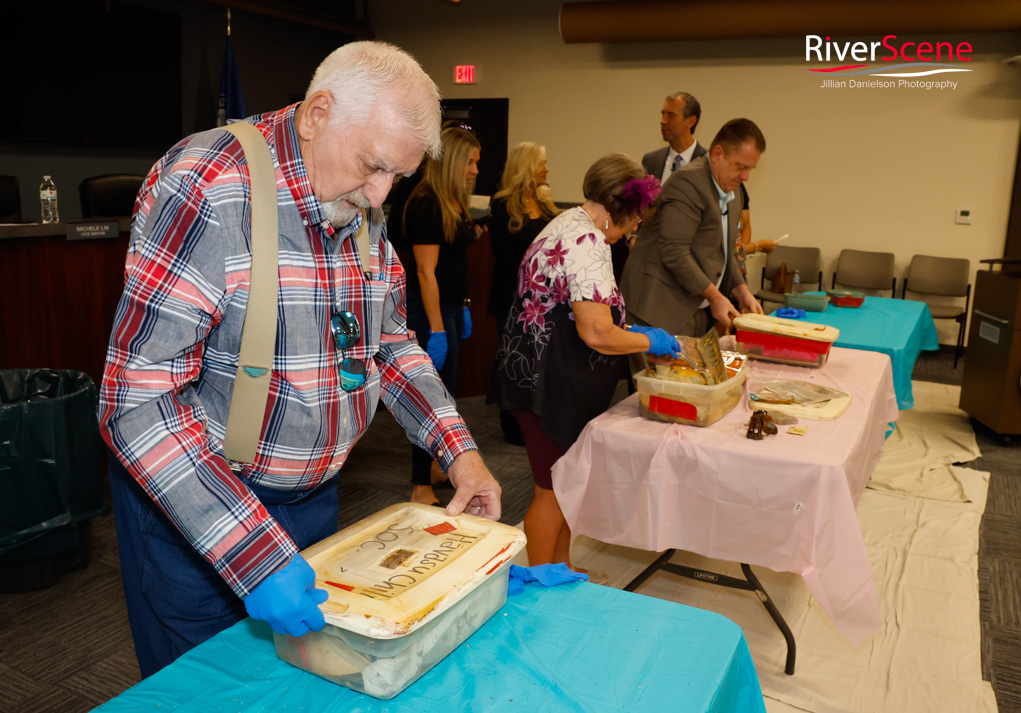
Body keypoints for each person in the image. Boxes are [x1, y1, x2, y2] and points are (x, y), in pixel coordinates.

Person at [98, 41, 501, 678]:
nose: (380, 195)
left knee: (300, 688)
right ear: (317, 115)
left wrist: (459, 452)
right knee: (209, 691)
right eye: (372, 167)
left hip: (313, 504)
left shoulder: (360, 197)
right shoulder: (210, 186)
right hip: (199, 508)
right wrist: (252, 554)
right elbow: (136, 401)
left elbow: (389, 343)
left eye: (397, 177)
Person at [488, 153, 680, 573]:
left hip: (540, 374)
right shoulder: (588, 241)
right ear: (620, 210)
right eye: (634, 220)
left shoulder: (567, 222)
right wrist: (648, 340)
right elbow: (596, 332)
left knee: (563, 485)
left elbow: (576, 314)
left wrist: (636, 334)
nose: (632, 229)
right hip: (548, 384)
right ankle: (540, 578)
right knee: (552, 490)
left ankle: (560, 567)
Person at [621, 118, 767, 342]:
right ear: (717, 154)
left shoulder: (734, 192)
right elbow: (674, 251)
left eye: (750, 169)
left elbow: (726, 252)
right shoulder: (688, 183)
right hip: (656, 308)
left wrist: (741, 290)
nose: (745, 176)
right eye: (740, 166)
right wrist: (715, 297)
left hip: (693, 308)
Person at [401, 126, 481, 506]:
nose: (475, 170)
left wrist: (462, 305)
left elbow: (453, 261)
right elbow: (425, 272)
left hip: (449, 307)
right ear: (452, 162)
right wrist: (436, 329)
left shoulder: (452, 201)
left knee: (447, 396)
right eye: (471, 162)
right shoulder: (426, 203)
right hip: (429, 311)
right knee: (431, 399)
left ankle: (435, 467)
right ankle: (420, 487)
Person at [487, 141, 560, 445]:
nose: (546, 169)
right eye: (541, 163)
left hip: (543, 300)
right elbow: (504, 256)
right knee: (514, 360)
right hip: (513, 296)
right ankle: (512, 423)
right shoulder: (502, 204)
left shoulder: (545, 203)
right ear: (526, 167)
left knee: (540, 361)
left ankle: (539, 420)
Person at [642, 91, 707, 187]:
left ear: (691, 121)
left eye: (671, 115)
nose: (663, 121)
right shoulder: (650, 161)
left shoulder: (709, 162)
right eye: (663, 114)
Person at [733, 184, 777, 279]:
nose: (745, 177)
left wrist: (743, 252)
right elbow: (724, 252)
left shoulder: (739, 188)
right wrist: (758, 246)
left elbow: (746, 225)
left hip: (737, 270)